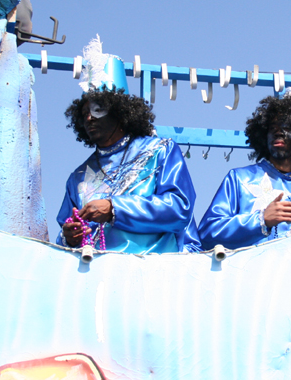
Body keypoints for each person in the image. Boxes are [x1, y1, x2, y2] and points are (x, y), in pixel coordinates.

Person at [57, 39, 200, 253]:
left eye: (97, 110)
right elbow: (62, 238)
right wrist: (70, 237)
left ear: (120, 111)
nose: (88, 118)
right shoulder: (78, 177)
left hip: (154, 273)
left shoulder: (160, 150)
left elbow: (180, 208)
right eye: (84, 113)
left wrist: (115, 209)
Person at [198, 85, 291, 250]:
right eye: (273, 128)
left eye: (287, 128)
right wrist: (261, 220)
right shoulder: (239, 179)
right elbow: (207, 234)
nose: (279, 132)